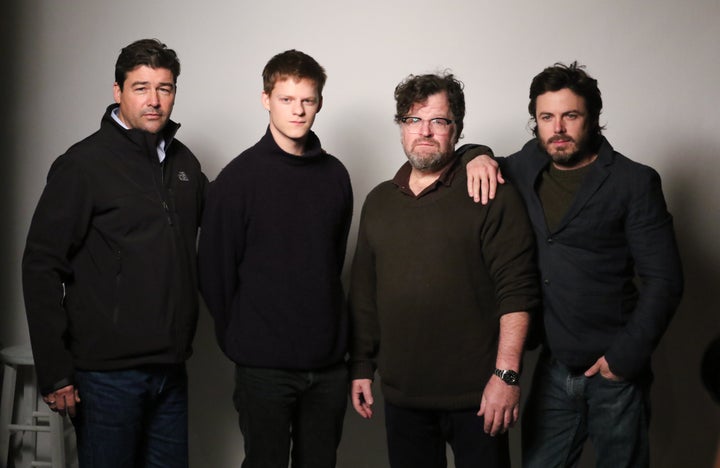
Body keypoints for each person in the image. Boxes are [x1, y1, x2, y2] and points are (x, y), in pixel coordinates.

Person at [464, 62, 684, 467]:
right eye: (546, 117)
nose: (558, 128)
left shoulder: (634, 181)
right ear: (535, 121)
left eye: (571, 115)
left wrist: (622, 361)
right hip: (553, 364)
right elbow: (481, 158)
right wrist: (475, 155)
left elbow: (665, 280)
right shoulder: (525, 165)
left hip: (613, 370)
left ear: (593, 118)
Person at [21, 38, 207, 467]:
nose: (155, 100)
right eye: (141, 87)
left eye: (165, 88)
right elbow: (41, 265)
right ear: (117, 91)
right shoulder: (83, 164)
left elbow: (222, 230)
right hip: (106, 375)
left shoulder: (184, 164)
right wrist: (56, 371)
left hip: (170, 368)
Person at [349, 72, 540, 468]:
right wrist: (362, 366)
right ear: (400, 127)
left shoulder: (489, 191)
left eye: (439, 121)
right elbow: (364, 293)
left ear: (457, 128)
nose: (425, 132)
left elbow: (517, 290)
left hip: (479, 397)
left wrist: (506, 377)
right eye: (413, 120)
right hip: (404, 397)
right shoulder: (379, 201)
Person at [198, 50, 352, 468]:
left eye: (308, 100)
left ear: (319, 102)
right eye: (287, 99)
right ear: (266, 99)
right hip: (263, 366)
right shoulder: (238, 180)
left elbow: (330, 261)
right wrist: (242, 341)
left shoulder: (336, 175)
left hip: (328, 365)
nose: (298, 110)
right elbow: (213, 273)